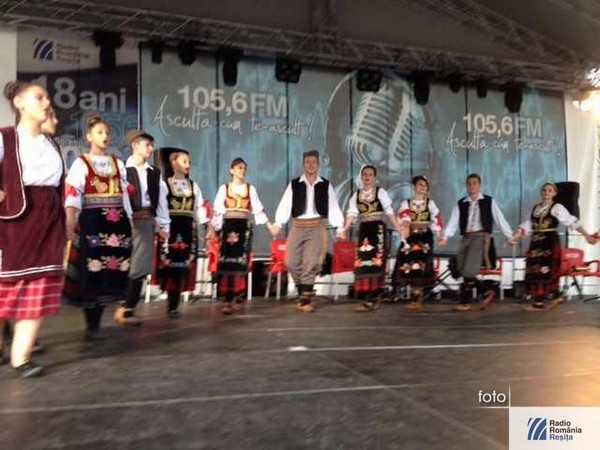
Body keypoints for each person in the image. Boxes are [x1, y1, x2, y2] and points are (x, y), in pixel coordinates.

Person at [0, 81, 65, 377]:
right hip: (14, 223)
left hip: (48, 222)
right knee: (5, 286)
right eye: (39, 97)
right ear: (19, 103)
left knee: (37, 291)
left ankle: (21, 358)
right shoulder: (6, 138)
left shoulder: (51, 144)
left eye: (48, 97)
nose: (47, 102)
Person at [63, 116, 133, 339]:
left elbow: (124, 195)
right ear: (89, 136)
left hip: (117, 223)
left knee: (110, 268)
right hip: (92, 222)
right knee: (92, 267)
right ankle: (91, 323)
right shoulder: (81, 163)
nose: (105, 136)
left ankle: (98, 319)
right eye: (100, 132)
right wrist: (70, 220)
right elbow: (73, 194)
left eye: (107, 133)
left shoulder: (117, 164)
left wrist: (130, 219)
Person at [273, 150, 345, 313]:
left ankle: (305, 300)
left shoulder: (325, 184)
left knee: (310, 263)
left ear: (318, 164)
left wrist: (339, 226)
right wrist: (278, 223)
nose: (310, 165)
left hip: (316, 226)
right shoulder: (295, 184)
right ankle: (303, 292)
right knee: (290, 261)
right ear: (303, 164)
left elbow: (333, 206)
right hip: (298, 225)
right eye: (307, 162)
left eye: (313, 162)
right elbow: (285, 204)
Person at [509, 182, 596, 311]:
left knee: (547, 270)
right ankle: (552, 296)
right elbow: (526, 226)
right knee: (534, 270)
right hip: (536, 242)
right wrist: (515, 238)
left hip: (549, 242)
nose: (546, 193)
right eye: (544, 190)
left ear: (554, 193)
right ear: (541, 192)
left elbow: (572, 222)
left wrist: (587, 235)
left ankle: (544, 300)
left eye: (550, 190)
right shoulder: (535, 208)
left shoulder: (557, 207)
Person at [114, 130, 170, 326]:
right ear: (135, 146)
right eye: (147, 145)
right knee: (122, 264)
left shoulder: (154, 173)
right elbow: (120, 195)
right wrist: (127, 218)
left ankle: (127, 308)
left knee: (141, 265)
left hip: (146, 221)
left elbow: (160, 200)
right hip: (125, 221)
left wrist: (163, 223)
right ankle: (123, 305)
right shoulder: (123, 170)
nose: (151, 149)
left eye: (152, 145)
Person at [440, 173, 513, 312]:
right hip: (466, 238)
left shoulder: (488, 201)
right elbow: (453, 221)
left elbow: (500, 219)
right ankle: (486, 291)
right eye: (469, 183)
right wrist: (445, 236)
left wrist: (510, 236)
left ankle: (465, 302)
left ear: (479, 185)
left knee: (469, 269)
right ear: (466, 186)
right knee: (460, 267)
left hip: (481, 237)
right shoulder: (462, 203)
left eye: (474, 183)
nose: (472, 186)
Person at [212, 158, 276, 314]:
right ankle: (228, 299)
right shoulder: (224, 188)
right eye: (239, 167)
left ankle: (238, 295)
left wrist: (269, 225)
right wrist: (212, 229)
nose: (242, 170)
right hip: (228, 227)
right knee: (227, 262)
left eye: (244, 168)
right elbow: (217, 210)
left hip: (243, 228)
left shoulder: (250, 189)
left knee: (241, 261)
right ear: (231, 170)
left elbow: (258, 209)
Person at [156, 148, 212, 318]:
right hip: (171, 228)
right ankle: (169, 299)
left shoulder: (193, 186)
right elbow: (160, 208)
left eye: (189, 162)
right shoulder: (165, 185)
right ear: (174, 163)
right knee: (169, 265)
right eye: (184, 161)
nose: (188, 165)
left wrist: (207, 226)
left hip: (187, 229)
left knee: (182, 266)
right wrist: (161, 228)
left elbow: (199, 208)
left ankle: (174, 304)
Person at [343, 165, 402, 312]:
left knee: (377, 262)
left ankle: (373, 297)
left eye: (370, 174)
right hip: (364, 229)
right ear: (361, 177)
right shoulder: (356, 195)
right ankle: (368, 297)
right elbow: (352, 213)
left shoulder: (380, 192)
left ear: (374, 177)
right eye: (365, 174)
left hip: (377, 229)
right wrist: (344, 229)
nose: (367, 177)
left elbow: (389, 211)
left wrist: (399, 227)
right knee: (364, 262)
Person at [392, 175, 443, 311]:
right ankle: (411, 296)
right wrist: (405, 225)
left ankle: (417, 298)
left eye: (425, 185)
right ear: (414, 187)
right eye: (420, 184)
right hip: (411, 238)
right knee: (408, 265)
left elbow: (436, 219)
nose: (423, 187)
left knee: (420, 266)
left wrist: (439, 236)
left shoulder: (430, 204)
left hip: (425, 237)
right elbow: (403, 217)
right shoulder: (407, 203)